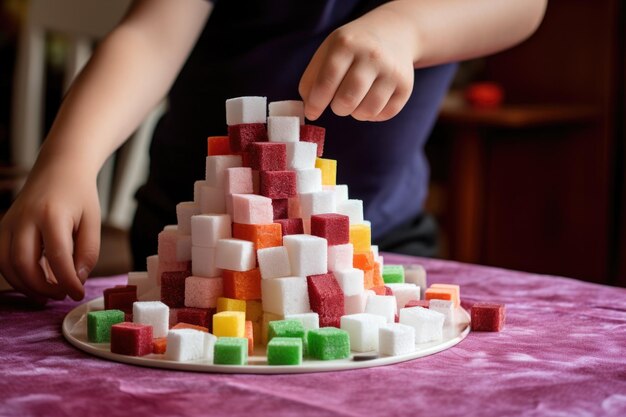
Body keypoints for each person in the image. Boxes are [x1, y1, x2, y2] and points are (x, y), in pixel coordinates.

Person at [0, 0, 547, 302]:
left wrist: (407, 28)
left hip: (375, 244)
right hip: (191, 251)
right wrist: (67, 160)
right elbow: (151, 34)